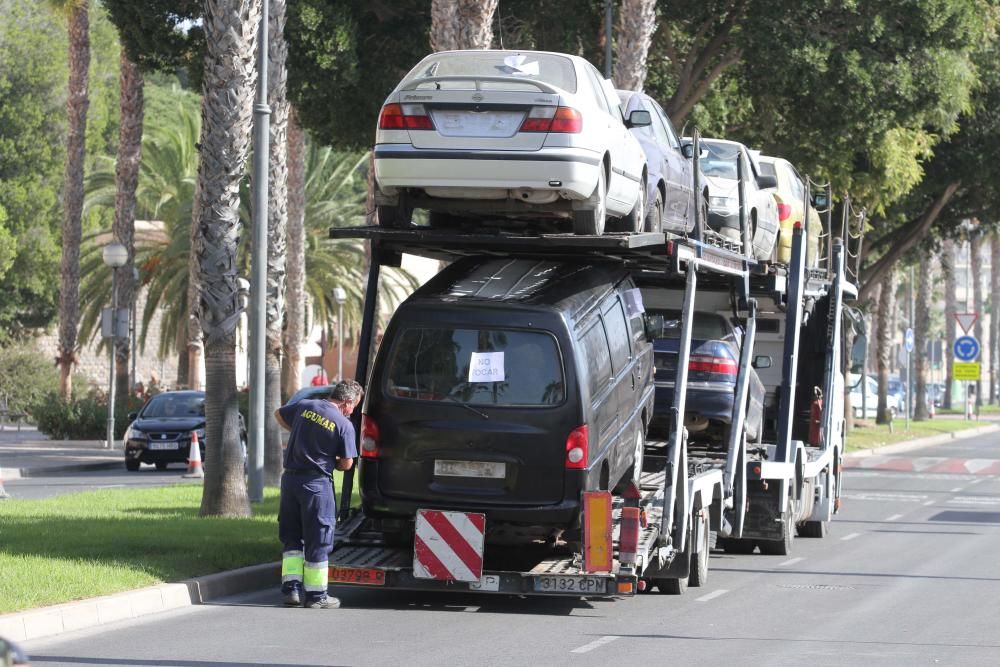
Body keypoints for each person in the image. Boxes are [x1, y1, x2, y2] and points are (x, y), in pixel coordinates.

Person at [274, 380, 362, 609]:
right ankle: (316, 596)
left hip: (290, 480)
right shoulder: (344, 424)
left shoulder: (306, 406)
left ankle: (291, 589)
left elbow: (279, 414)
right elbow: (346, 464)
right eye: (354, 405)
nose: (353, 410)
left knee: (292, 536)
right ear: (347, 402)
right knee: (318, 537)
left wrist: (302, 435)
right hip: (316, 484)